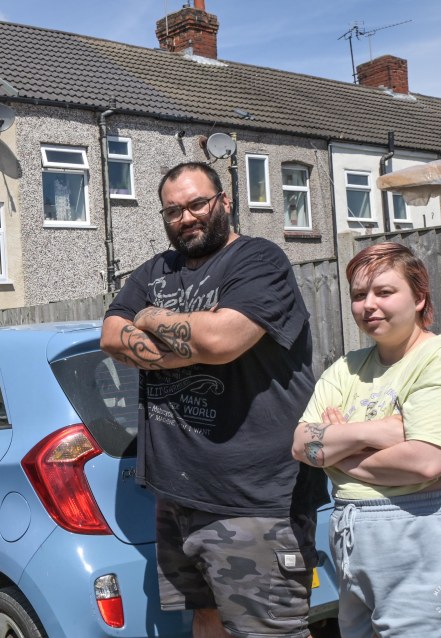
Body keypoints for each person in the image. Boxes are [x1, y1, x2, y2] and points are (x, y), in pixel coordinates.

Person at [101, 161, 326, 638]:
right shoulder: (155, 270)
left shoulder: (259, 261)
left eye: (197, 204)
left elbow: (221, 341)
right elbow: (109, 337)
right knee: (204, 619)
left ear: (223, 201)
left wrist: (147, 317)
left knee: (270, 631)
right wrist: (188, 345)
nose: (185, 218)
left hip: (253, 497)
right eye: (173, 210)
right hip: (177, 492)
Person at [292, 242, 441, 637]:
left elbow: (424, 462)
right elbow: (301, 445)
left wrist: (337, 451)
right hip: (355, 540)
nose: (369, 305)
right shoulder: (346, 369)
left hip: (433, 531)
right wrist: (375, 432)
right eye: (359, 295)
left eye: (384, 292)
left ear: (419, 297)